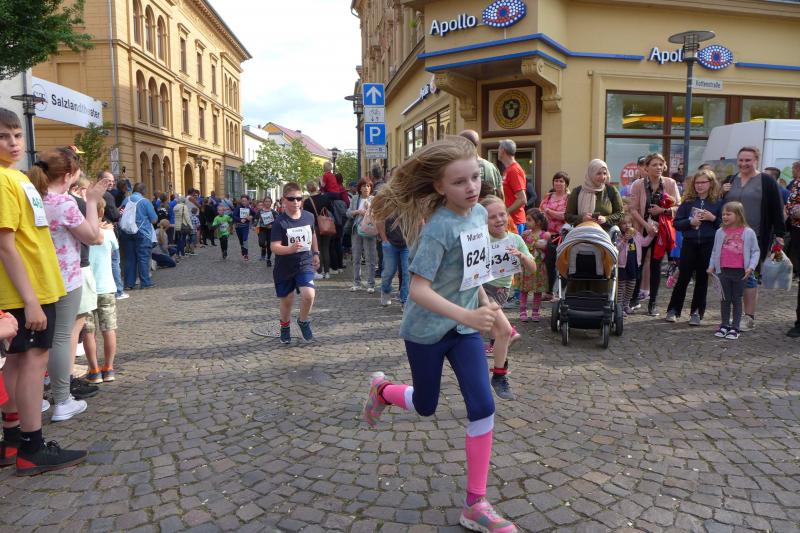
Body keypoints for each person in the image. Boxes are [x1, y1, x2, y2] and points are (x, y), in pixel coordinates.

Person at [365, 136, 518, 533]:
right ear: (439, 186)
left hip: (464, 330)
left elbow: (474, 274)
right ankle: (382, 391)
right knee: (426, 405)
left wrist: (490, 311)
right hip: (426, 331)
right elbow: (418, 290)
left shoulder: (479, 215)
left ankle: (475, 504)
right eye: (459, 181)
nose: (471, 187)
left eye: (475, 178)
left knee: (483, 406)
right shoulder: (438, 229)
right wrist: (468, 313)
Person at [0, 108, 87, 475]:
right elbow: (6, 245)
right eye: (4, 136)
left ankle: (12, 440)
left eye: (17, 135)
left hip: (37, 287)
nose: (13, 142)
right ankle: (31, 447)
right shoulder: (3, 181)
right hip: (27, 292)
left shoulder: (16, 177)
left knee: (19, 362)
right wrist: (31, 300)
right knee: (32, 365)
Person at [30, 150, 110, 422]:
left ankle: (34, 397)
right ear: (68, 176)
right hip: (65, 278)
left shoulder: (33, 198)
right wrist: (92, 202)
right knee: (61, 339)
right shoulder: (63, 203)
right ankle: (63, 400)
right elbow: (94, 236)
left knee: (37, 343)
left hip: (36, 279)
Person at [721, 146, 786, 331]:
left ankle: (748, 317)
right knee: (730, 276)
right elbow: (721, 206)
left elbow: (776, 208)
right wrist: (721, 193)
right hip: (729, 238)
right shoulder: (730, 180)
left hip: (755, 237)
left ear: (756, 161)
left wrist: (780, 234)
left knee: (749, 276)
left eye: (748, 160)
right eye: (741, 160)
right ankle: (733, 315)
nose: (744, 164)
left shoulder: (766, 181)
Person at [480, 195, 534, 402]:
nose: (499, 219)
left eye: (502, 214)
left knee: (490, 333)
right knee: (503, 331)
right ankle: (499, 376)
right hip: (481, 289)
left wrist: (522, 257)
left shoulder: (515, 240)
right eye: (492, 217)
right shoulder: (480, 238)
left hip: (502, 292)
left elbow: (532, 268)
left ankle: (490, 373)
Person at [664, 169, 723, 325]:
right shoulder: (688, 201)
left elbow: (724, 226)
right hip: (689, 243)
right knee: (683, 277)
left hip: (708, 244)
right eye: (697, 183)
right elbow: (677, 223)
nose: (699, 185)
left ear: (711, 183)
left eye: (703, 182)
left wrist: (713, 218)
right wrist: (690, 222)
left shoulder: (718, 202)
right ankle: (673, 310)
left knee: (702, 279)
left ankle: (696, 312)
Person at [627, 153, 681, 316]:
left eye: (660, 164)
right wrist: (646, 226)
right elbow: (633, 209)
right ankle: (633, 299)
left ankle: (653, 303)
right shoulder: (638, 184)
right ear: (646, 167)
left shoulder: (670, 183)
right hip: (642, 230)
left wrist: (663, 210)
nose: (658, 167)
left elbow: (679, 206)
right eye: (654, 164)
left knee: (655, 266)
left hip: (662, 231)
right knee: (638, 264)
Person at [270, 182, 321, 344]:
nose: (296, 202)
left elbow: (313, 235)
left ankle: (303, 321)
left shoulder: (309, 216)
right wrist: (290, 249)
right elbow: (274, 247)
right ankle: (285, 326)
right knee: (287, 300)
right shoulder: (280, 222)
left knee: (309, 295)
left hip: (304, 264)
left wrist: (316, 252)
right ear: (284, 200)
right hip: (284, 267)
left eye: (299, 198)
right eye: (291, 199)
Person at [708, 202, 760, 340]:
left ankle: (735, 327)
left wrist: (751, 267)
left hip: (740, 272)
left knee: (737, 299)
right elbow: (714, 251)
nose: (724, 216)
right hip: (723, 271)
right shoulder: (719, 232)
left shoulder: (748, 232)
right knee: (724, 299)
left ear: (738, 215)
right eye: (723, 214)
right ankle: (724, 324)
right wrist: (711, 266)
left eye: (728, 214)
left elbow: (755, 251)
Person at [84, 198, 120, 383]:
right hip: (106, 285)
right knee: (109, 329)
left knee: (88, 331)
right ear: (102, 212)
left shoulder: (82, 233)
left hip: (87, 287)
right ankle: (109, 368)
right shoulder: (109, 233)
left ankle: (94, 370)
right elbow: (113, 252)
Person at [565, 159, 624, 231]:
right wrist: (582, 218)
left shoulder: (611, 190)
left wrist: (606, 219)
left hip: (605, 234)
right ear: (591, 174)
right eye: (598, 173)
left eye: (604, 173)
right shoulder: (577, 191)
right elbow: (567, 216)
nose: (602, 177)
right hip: (581, 233)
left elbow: (620, 214)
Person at [119, 183, 158, 289]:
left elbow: (120, 213)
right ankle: (145, 283)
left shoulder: (126, 200)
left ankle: (128, 284)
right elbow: (154, 219)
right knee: (143, 258)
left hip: (127, 232)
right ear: (143, 191)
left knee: (129, 258)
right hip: (142, 233)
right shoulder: (145, 202)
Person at [615, 212, 653, 315]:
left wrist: (651, 235)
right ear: (620, 225)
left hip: (634, 265)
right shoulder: (618, 236)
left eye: (629, 223)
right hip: (622, 266)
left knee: (631, 287)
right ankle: (619, 308)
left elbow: (645, 243)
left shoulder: (636, 234)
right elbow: (616, 249)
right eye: (624, 223)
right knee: (620, 288)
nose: (627, 225)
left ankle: (626, 305)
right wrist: (624, 240)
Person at [539, 171, 570, 296]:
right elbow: (540, 211)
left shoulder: (569, 198)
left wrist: (550, 212)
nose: (558, 183)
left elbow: (566, 216)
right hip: (547, 234)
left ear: (566, 184)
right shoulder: (548, 196)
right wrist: (544, 213)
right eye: (556, 180)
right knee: (547, 263)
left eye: (561, 181)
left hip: (562, 235)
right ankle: (548, 291)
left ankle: (561, 291)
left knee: (562, 263)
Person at [347, 178, 377, 293]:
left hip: (369, 230)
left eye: (368, 186)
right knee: (356, 257)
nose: (366, 188)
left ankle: (371, 284)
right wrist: (357, 212)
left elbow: (379, 214)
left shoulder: (374, 199)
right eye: (364, 186)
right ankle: (357, 283)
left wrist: (369, 208)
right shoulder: (355, 199)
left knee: (370, 258)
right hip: (356, 230)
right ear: (360, 188)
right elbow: (348, 213)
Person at [520, 208, 550, 322]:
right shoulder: (526, 234)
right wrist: (523, 237)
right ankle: (522, 310)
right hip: (526, 266)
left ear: (538, 222)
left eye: (529, 220)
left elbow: (543, 246)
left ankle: (535, 311)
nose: (526, 222)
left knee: (538, 291)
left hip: (539, 266)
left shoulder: (545, 234)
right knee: (524, 289)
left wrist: (530, 241)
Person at [459, 130, 503, 199]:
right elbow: (501, 194)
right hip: (492, 204)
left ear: (463, 145)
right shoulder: (492, 167)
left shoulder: (460, 168)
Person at [378, 215, 409, 308]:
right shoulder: (388, 206)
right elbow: (379, 219)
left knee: (407, 273)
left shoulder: (411, 205)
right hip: (390, 243)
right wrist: (384, 240)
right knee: (389, 272)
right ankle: (385, 291)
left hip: (407, 243)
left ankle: (405, 300)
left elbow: (419, 220)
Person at [498, 139, 527, 234]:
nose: (498, 152)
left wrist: (506, 212)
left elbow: (522, 199)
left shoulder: (514, 170)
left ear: (503, 151)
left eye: (499, 149)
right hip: (511, 220)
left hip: (515, 221)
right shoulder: (509, 170)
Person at [256, 198, 278, 265]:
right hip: (262, 229)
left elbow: (277, 222)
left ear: (271, 203)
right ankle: (263, 247)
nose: (267, 203)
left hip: (271, 230)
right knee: (261, 243)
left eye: (269, 201)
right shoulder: (260, 211)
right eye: (266, 201)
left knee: (269, 245)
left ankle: (268, 258)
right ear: (264, 202)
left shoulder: (274, 212)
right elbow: (256, 219)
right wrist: (254, 225)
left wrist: (272, 225)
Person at [233, 195, 254, 261]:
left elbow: (254, 214)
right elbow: (234, 216)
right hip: (238, 227)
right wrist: (240, 220)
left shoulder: (249, 208)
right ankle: (242, 247)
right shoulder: (238, 207)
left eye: (245, 201)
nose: (244, 202)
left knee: (245, 239)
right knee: (241, 240)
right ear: (241, 201)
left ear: (248, 201)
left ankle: (246, 254)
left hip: (245, 226)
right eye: (242, 201)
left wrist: (251, 217)